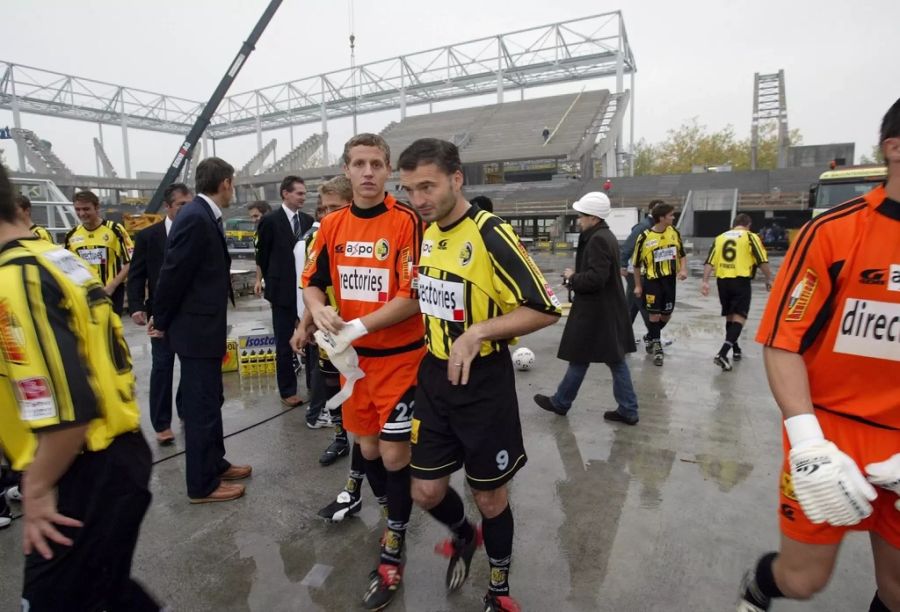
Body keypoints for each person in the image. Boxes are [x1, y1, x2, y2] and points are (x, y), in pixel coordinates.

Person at [736, 98, 900, 612]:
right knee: (805, 580)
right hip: (833, 434)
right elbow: (783, 340)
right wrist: (807, 443)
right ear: (894, 148)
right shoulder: (834, 232)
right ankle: (761, 584)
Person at [398, 138, 561, 612]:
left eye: (427, 186)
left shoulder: (491, 234)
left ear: (456, 178)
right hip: (433, 375)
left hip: (484, 381)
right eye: (410, 189)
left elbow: (545, 309)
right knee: (425, 489)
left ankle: (499, 589)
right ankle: (466, 537)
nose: (419, 199)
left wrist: (480, 332)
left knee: (490, 497)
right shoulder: (427, 231)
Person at [0, 163, 162, 609]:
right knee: (106, 591)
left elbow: (68, 405)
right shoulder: (56, 256)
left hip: (79, 466)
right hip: (113, 455)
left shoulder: (15, 278)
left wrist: (35, 487)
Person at [299, 133, 425, 610]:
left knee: (394, 456)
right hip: (353, 364)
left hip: (400, 361)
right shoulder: (331, 226)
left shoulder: (406, 221)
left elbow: (410, 295)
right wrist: (319, 309)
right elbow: (312, 282)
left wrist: (353, 325)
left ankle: (393, 544)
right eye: (359, 164)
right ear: (347, 171)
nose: (368, 172)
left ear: (388, 170)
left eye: (376, 163)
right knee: (368, 448)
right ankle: (395, 511)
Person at [152, 157, 252, 504]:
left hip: (204, 328)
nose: (233, 189)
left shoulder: (203, 214)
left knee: (211, 401)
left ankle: (215, 462)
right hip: (194, 331)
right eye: (233, 183)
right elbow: (173, 273)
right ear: (225, 183)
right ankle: (201, 484)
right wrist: (159, 320)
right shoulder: (195, 217)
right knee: (199, 408)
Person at [533, 191, 639, 425]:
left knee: (586, 358)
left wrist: (573, 277)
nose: (579, 220)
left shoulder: (598, 239)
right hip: (604, 310)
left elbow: (596, 278)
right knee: (607, 360)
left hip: (597, 312)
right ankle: (625, 408)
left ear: (593, 217)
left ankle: (563, 402)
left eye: (582, 216)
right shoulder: (604, 236)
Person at [294, 177, 354, 461]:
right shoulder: (319, 239)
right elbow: (313, 287)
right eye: (323, 209)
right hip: (332, 330)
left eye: (335, 207)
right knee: (330, 383)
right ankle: (340, 437)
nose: (326, 215)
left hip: (369, 329)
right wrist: (304, 325)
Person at [127, 182, 191, 444]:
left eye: (190, 205)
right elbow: (136, 274)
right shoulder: (148, 237)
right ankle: (162, 423)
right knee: (162, 367)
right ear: (168, 206)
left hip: (189, 314)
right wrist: (136, 307)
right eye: (181, 206)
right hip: (160, 315)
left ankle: (186, 410)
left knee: (190, 367)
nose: (186, 210)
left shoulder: (194, 232)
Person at [255, 176, 314, 408]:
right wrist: (269, 280)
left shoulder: (309, 221)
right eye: (299, 193)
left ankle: (312, 385)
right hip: (281, 293)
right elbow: (263, 255)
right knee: (283, 343)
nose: (303, 197)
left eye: (304, 193)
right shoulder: (270, 221)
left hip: (306, 292)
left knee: (310, 339)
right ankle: (287, 390)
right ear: (285, 194)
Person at [701, 213, 773, 372]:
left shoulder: (720, 237)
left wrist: (705, 281)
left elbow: (709, 261)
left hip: (723, 280)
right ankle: (722, 353)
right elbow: (761, 260)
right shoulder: (750, 237)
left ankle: (736, 348)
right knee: (740, 317)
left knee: (730, 316)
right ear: (748, 224)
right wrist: (769, 278)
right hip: (740, 279)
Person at [632, 203, 687, 366]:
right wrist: (638, 285)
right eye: (671, 215)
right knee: (654, 315)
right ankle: (657, 347)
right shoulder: (644, 237)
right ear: (661, 218)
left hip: (669, 281)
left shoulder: (674, 232)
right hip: (652, 281)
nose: (673, 217)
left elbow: (682, 254)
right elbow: (635, 264)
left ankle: (650, 336)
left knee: (666, 315)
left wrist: (683, 269)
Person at [64, 190, 133, 315]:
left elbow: (131, 261)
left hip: (111, 292)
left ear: (97, 208)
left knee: (111, 331)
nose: (82, 213)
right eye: (78, 209)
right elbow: (68, 267)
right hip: (84, 293)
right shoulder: (71, 235)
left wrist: (112, 286)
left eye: (86, 209)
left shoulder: (115, 230)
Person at [620, 200, 658, 335]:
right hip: (634, 272)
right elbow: (628, 247)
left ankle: (623, 335)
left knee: (632, 306)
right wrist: (623, 265)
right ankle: (654, 336)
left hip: (641, 272)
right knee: (644, 305)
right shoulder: (643, 227)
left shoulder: (655, 227)